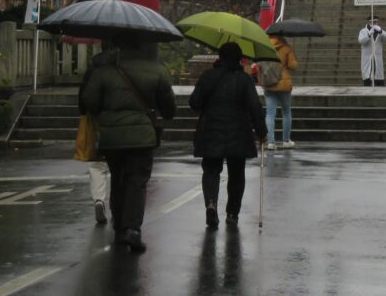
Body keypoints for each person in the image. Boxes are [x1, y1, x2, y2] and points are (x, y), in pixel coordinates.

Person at [81, 39, 176, 253]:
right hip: (142, 136)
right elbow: (169, 107)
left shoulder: (105, 70)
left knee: (118, 179)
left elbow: (89, 101)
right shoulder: (156, 70)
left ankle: (118, 226)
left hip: (112, 137)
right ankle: (132, 228)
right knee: (137, 182)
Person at [189, 42, 268, 228]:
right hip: (238, 132)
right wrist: (262, 133)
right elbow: (254, 107)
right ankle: (232, 212)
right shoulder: (245, 80)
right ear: (240, 59)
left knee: (210, 170)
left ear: (220, 57)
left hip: (211, 130)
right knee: (237, 173)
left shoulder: (208, 76)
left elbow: (194, 102)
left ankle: (211, 204)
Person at [77, 46, 113, 226]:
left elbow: (83, 98)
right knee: (120, 166)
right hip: (121, 120)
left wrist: (88, 112)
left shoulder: (95, 66)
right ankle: (118, 205)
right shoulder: (124, 65)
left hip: (97, 121)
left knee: (97, 163)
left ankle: (99, 199)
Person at [262, 34, 298, 151]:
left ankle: (271, 142)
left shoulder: (265, 47)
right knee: (286, 112)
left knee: (270, 113)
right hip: (283, 84)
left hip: (269, 83)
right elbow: (292, 65)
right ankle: (286, 140)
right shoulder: (286, 48)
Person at [358, 18, 386, 86]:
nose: (375, 23)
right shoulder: (363, 31)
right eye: (373, 21)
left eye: (376, 21)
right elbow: (361, 41)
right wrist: (369, 35)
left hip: (377, 58)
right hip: (367, 59)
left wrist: (381, 31)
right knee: (368, 79)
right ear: (369, 22)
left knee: (379, 79)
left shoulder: (379, 31)